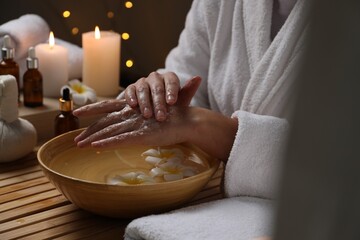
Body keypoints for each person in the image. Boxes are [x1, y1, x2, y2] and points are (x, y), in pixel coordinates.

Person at [73, 0, 310, 239]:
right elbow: (188, 73)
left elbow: (344, 165)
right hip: (211, 202)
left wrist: (207, 126)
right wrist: (163, 96)